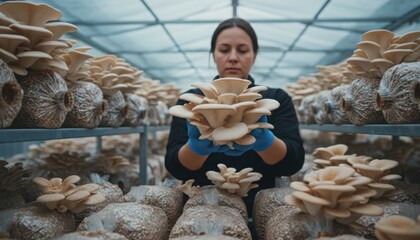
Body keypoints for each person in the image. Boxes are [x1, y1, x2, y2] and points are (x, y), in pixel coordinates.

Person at [165, 17, 304, 218]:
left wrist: (266, 143)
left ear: (254, 55)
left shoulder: (276, 99)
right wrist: (195, 148)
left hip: (262, 213)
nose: (232, 57)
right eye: (223, 50)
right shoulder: (192, 102)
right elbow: (175, 166)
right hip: (202, 212)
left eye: (242, 50)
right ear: (213, 55)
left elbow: (293, 161)